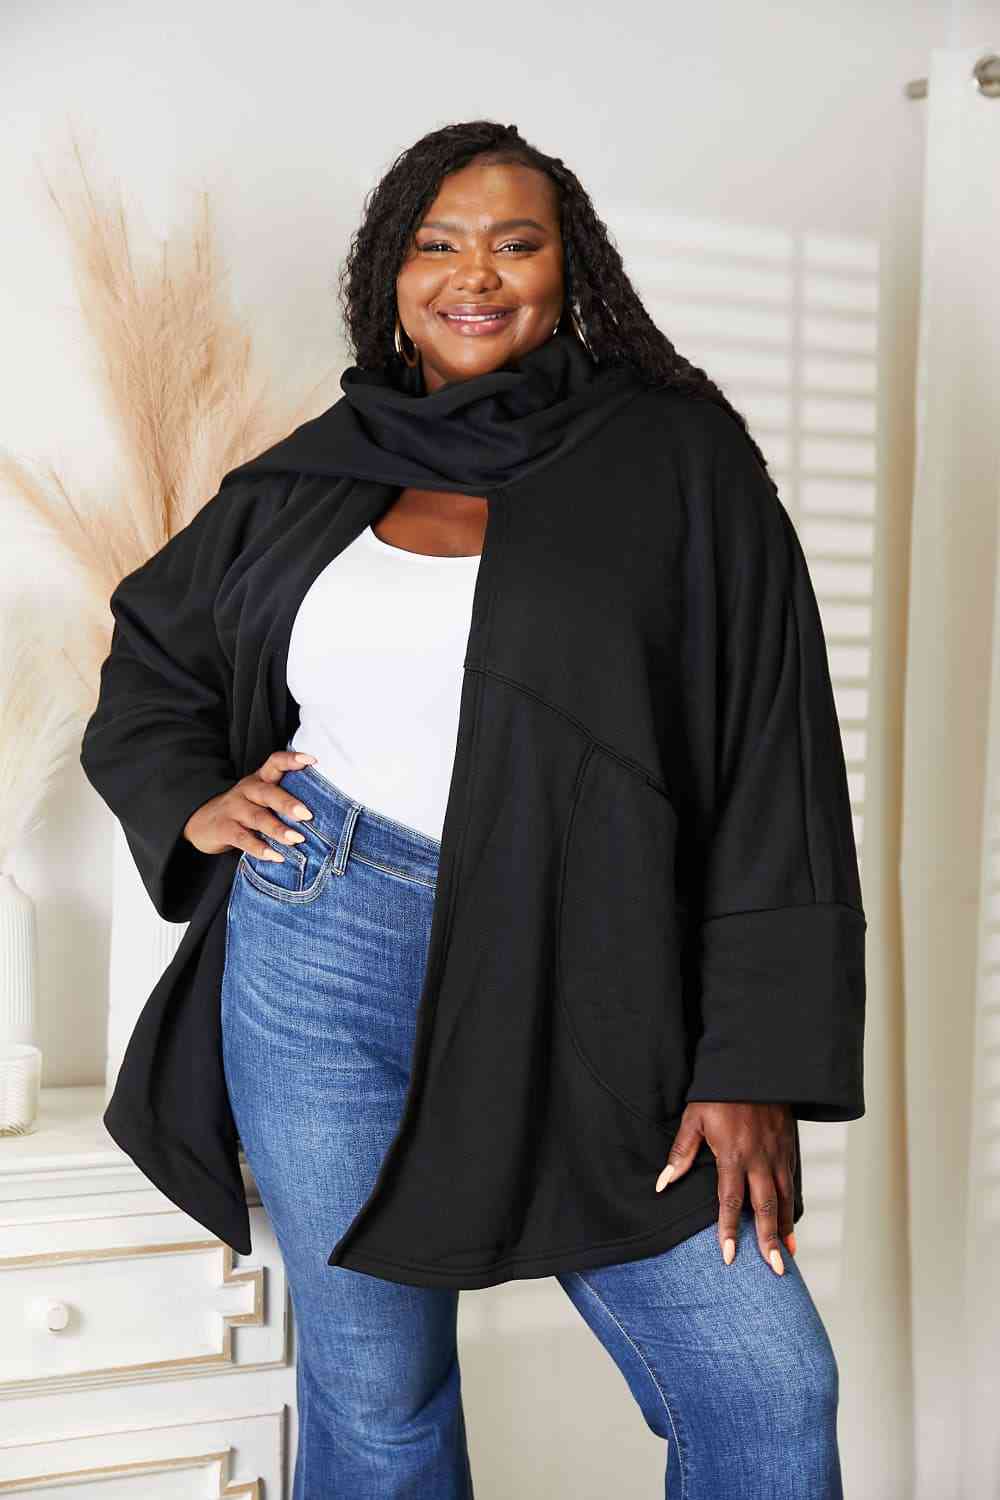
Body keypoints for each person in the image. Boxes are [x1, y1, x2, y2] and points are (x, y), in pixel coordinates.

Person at [80, 119, 866, 1499]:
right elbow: (154, 652)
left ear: (573, 271)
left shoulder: (675, 458)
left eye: (516, 242)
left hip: (591, 961)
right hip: (318, 945)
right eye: (437, 244)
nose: (475, 274)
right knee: (377, 1400)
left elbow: (770, 760)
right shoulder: (322, 468)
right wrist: (194, 800)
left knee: (764, 1382)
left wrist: (749, 1060)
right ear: (391, 276)